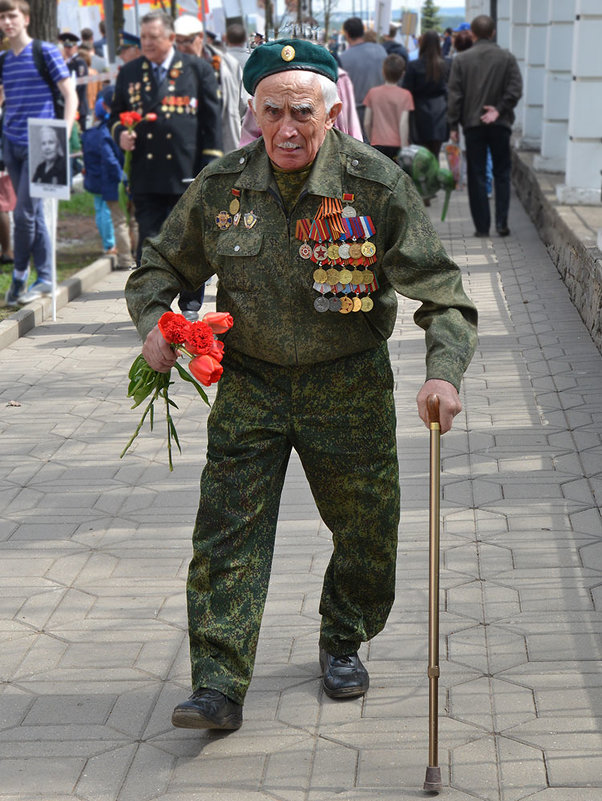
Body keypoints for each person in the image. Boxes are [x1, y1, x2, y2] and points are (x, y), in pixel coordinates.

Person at [125, 38, 477, 731]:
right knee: (227, 529)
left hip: (347, 383)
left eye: (303, 113)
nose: (287, 129)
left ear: (333, 108)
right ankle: (219, 683)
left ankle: (343, 633)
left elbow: (444, 294)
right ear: (251, 111)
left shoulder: (373, 185)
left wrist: (443, 372)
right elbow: (159, 269)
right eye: (272, 112)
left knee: (368, 531)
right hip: (251, 383)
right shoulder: (223, 186)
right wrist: (160, 323)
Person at [109, 11, 222, 321]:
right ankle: (152, 308)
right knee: (148, 242)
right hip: (146, 175)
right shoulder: (130, 72)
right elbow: (116, 115)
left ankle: (190, 305)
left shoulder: (197, 69)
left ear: (170, 39)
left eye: (153, 38)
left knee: (188, 243)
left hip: (186, 173)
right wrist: (121, 134)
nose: (147, 43)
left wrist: (208, 170)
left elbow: (211, 125)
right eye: (144, 37)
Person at [0, 0, 77, 306]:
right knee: (32, 215)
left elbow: (69, 93)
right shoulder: (4, 59)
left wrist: (65, 133)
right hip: (12, 140)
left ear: (26, 18)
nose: (7, 22)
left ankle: (20, 274)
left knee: (23, 213)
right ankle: (44, 277)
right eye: (2, 17)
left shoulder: (44, 52)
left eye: (12, 15)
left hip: (43, 139)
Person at [447, 14, 522, 236]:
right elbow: (515, 89)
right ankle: (501, 223)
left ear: (472, 34)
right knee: (501, 172)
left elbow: (455, 95)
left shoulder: (461, 60)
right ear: (493, 33)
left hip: (472, 124)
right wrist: (499, 109)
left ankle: (482, 227)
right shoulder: (507, 58)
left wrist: (453, 125)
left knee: (477, 174)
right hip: (500, 123)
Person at [174, 14, 245, 155]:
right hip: (186, 152)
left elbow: (244, 107)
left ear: (200, 37)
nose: (182, 48)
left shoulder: (227, 64)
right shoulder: (171, 67)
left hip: (225, 147)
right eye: (178, 42)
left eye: (187, 41)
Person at [82, 95, 133, 268]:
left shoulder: (100, 132)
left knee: (116, 220)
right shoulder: (130, 126)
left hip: (111, 182)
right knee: (134, 220)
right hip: (130, 180)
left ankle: (120, 255)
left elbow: (109, 159)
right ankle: (140, 258)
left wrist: (121, 177)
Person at [402, 29, 450, 161]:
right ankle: (434, 181)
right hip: (440, 112)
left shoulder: (414, 66)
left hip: (419, 113)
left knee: (420, 157)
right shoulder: (446, 64)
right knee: (435, 156)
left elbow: (406, 91)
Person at [339, 17, 387, 136]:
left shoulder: (344, 58)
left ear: (347, 34)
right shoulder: (381, 51)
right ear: (362, 32)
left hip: (355, 113)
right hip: (380, 109)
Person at [363, 53, 414, 160]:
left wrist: (371, 139)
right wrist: (404, 147)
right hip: (397, 144)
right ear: (402, 74)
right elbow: (403, 123)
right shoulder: (405, 95)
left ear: (383, 72)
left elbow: (367, 122)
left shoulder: (373, 93)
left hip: (377, 143)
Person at [59, 32, 89, 130]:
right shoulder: (65, 62)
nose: (67, 50)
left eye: (70, 47)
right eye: (66, 47)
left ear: (75, 47)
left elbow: (80, 83)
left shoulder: (79, 62)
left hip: (78, 106)